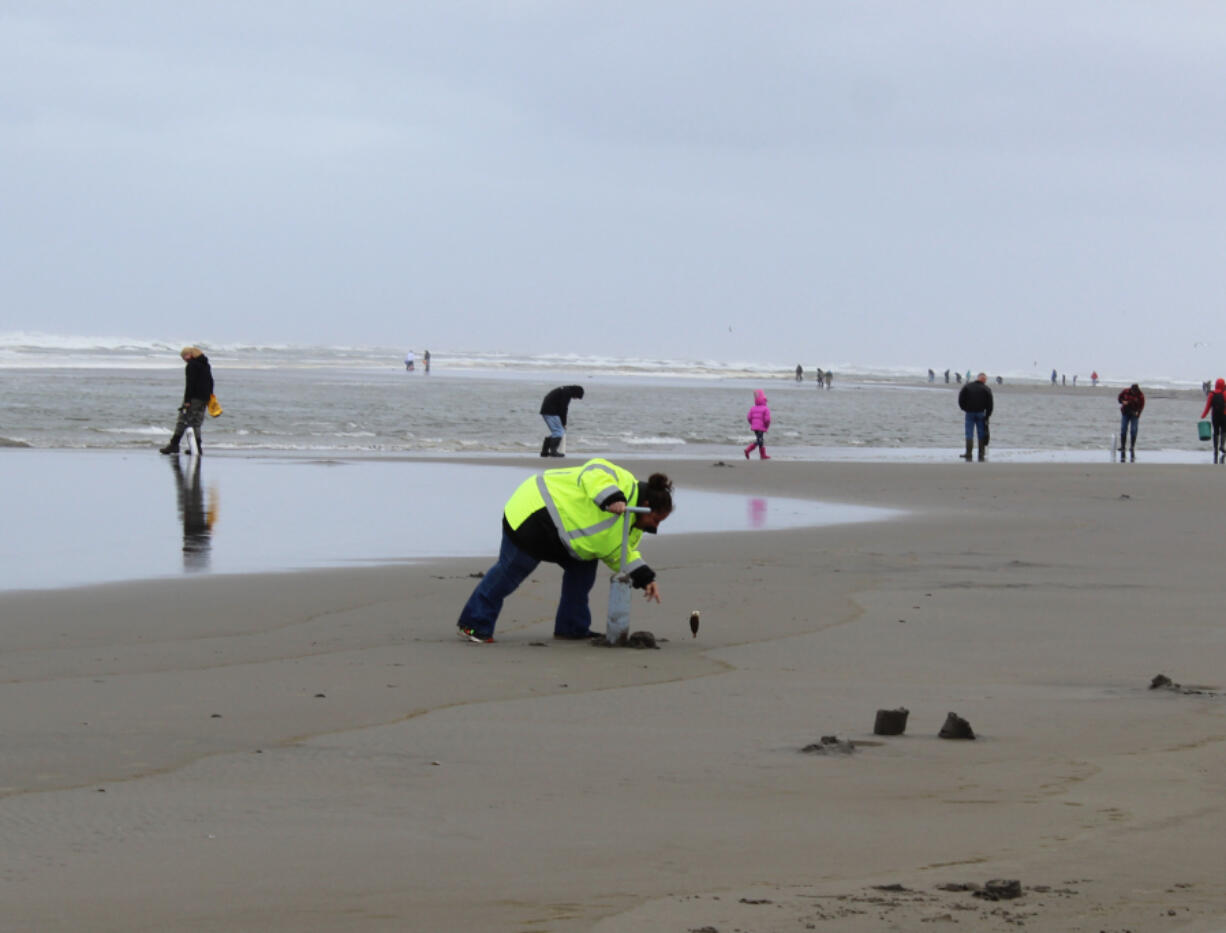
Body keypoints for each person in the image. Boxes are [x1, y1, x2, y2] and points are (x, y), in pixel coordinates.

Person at [456, 459, 673, 642]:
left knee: (584, 571)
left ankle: (572, 627)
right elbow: (593, 471)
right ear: (645, 504)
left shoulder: (632, 526)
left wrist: (646, 577)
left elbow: (619, 553)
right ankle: (474, 624)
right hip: (536, 512)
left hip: (569, 536)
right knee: (511, 572)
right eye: (655, 519)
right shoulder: (624, 481)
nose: (655, 527)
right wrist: (612, 497)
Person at [159, 346, 214, 455]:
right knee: (196, 423)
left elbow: (190, 385)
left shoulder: (191, 366)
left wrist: (187, 400)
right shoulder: (206, 365)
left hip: (194, 398)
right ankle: (196, 447)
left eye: (184, 356)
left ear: (190, 354)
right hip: (204, 398)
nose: (184, 359)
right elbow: (211, 382)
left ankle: (175, 445)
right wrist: (209, 397)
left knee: (183, 420)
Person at [538, 385, 584, 457]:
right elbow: (563, 409)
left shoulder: (564, 390)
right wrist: (564, 423)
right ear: (576, 393)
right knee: (559, 431)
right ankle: (553, 452)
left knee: (556, 431)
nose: (575, 398)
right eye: (577, 397)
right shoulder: (566, 393)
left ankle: (544, 452)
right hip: (550, 412)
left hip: (547, 411)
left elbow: (561, 407)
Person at [958, 372, 994, 462]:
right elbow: (990, 404)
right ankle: (981, 453)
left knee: (969, 433)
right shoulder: (986, 389)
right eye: (985, 379)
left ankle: (968, 453)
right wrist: (987, 415)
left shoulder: (968, 386)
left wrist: (964, 408)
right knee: (981, 433)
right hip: (980, 413)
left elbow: (961, 399)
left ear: (978, 378)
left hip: (969, 412)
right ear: (984, 380)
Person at [1117, 383, 1145, 462]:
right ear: (1131, 389)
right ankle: (1123, 446)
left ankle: (1132, 446)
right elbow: (1119, 398)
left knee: (1133, 430)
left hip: (1134, 414)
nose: (1134, 393)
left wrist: (1138, 413)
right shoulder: (1125, 391)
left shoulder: (1140, 395)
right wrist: (1123, 401)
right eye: (1133, 391)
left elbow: (1142, 405)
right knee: (1123, 429)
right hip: (1125, 413)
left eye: (1135, 392)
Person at [1200, 378, 1226, 463]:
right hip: (1224, 416)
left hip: (1215, 416)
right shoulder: (1225, 393)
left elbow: (1208, 406)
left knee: (1216, 432)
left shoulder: (1212, 394)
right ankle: (1222, 446)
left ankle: (1215, 449)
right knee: (1223, 431)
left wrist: (1203, 415)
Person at [743, 389, 772, 460]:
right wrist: (766, 426)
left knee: (760, 440)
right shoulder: (765, 408)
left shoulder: (753, 408)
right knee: (759, 440)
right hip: (761, 427)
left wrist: (753, 424)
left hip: (755, 427)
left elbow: (749, 417)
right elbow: (767, 419)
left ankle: (763, 455)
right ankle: (748, 450)